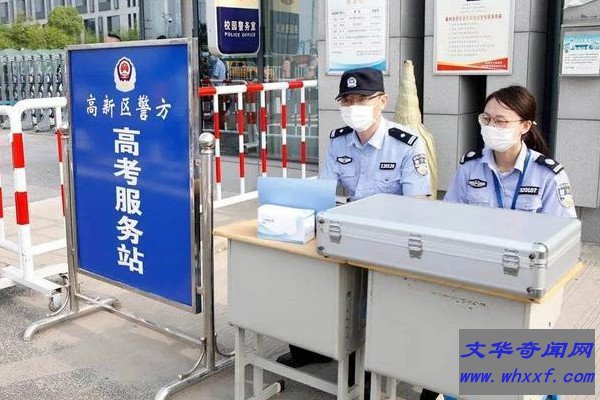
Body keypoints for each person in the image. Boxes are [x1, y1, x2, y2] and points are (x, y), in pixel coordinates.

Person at [277, 68, 432, 398]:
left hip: (390, 242)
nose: (353, 107)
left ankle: (371, 366)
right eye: (347, 101)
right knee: (305, 274)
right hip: (348, 235)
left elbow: (417, 208)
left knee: (378, 305)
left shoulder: (406, 144)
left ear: (383, 101)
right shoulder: (339, 140)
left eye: (362, 99)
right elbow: (325, 193)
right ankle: (313, 346)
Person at [421, 86, 575, 400]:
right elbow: (449, 220)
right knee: (469, 362)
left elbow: (563, 240)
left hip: (528, 284)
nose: (492, 127)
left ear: (525, 126)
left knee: (531, 373)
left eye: (501, 121)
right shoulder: (470, 166)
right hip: (478, 277)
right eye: (487, 119)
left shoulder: (548, 175)